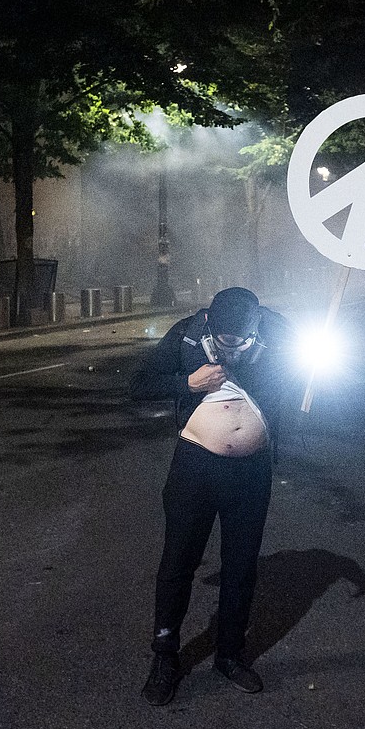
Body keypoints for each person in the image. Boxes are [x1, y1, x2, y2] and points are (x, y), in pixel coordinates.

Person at [129, 287, 300, 706]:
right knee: (178, 564)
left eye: (242, 341)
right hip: (196, 468)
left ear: (257, 326)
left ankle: (229, 654)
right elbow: (138, 385)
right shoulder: (186, 334)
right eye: (225, 341)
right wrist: (187, 382)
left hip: (252, 472)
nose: (234, 349)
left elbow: (307, 370)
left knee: (241, 567)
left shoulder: (278, 333)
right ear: (209, 324)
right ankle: (165, 657)